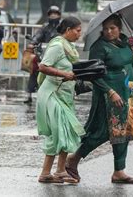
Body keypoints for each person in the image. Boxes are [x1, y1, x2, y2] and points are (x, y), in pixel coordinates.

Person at [65, 14, 133, 184]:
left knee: (124, 132)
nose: (108, 32)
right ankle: (74, 158)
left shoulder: (125, 44)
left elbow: (128, 65)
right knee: (103, 132)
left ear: (119, 29)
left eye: (112, 28)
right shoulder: (99, 47)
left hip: (126, 93)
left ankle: (119, 171)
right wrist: (110, 92)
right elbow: (94, 74)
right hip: (108, 96)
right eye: (106, 29)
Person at [36, 16, 85, 184]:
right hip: (52, 94)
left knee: (67, 131)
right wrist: (63, 74)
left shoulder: (69, 47)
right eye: (78, 31)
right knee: (58, 133)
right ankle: (46, 172)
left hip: (64, 95)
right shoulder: (57, 46)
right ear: (68, 30)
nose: (80, 34)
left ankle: (59, 171)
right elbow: (42, 66)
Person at [24, 5, 62, 104]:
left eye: (55, 14)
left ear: (59, 15)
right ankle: (29, 94)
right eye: (51, 14)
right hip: (44, 54)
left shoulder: (62, 27)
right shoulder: (45, 26)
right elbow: (38, 36)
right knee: (34, 70)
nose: (53, 16)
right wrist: (33, 43)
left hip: (58, 54)